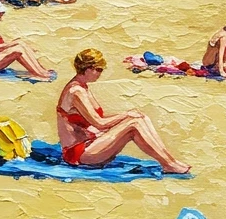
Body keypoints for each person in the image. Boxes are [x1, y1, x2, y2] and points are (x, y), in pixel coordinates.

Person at [56, 48, 189, 172]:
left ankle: (169, 160)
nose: (100, 74)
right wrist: (126, 115)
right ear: (88, 69)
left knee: (139, 118)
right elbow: (100, 123)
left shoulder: (82, 87)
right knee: (134, 122)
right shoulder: (76, 92)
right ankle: (168, 163)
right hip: (78, 153)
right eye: (99, 69)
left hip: (91, 144)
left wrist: (127, 117)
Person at [0, 0, 54, 80]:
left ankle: (41, 71)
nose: (0, 19)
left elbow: (0, 46)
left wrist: (18, 43)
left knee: (20, 45)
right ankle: (40, 74)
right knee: (18, 49)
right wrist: (16, 42)